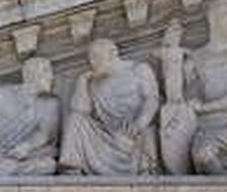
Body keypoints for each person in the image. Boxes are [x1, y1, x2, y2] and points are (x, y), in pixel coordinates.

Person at [160, 0, 227, 175]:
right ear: (212, 19)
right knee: (203, 154)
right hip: (207, 128)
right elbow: (184, 99)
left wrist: (206, 107)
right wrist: (171, 51)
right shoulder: (195, 58)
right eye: (226, 14)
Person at [58, 38, 160, 175]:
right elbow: (80, 110)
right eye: (90, 58)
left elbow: (152, 100)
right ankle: (72, 169)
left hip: (132, 133)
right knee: (76, 119)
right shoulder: (94, 82)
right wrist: (82, 80)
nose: (92, 62)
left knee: (141, 134)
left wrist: (139, 123)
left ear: (113, 53)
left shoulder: (138, 69)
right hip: (104, 135)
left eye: (96, 56)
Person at [0, 57, 61, 175]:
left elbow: (45, 135)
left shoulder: (51, 104)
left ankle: (3, 168)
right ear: (29, 74)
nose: (51, 77)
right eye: (46, 71)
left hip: (26, 157)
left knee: (48, 165)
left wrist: (26, 147)